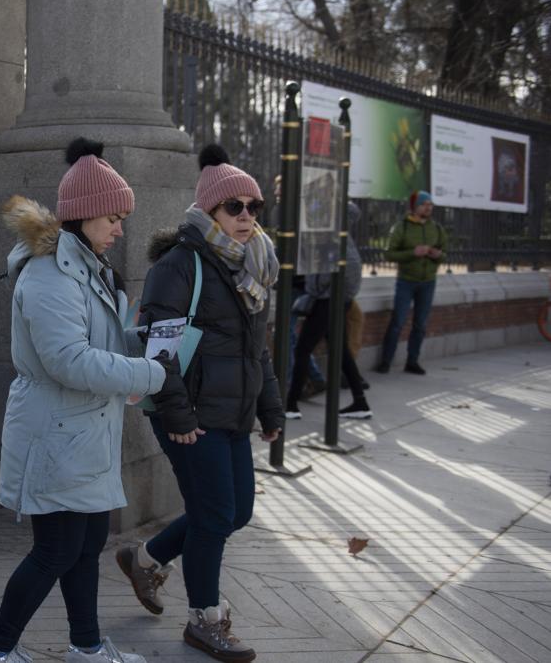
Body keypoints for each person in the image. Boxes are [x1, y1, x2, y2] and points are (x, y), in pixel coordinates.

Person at [0, 138, 170, 663]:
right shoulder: (49, 274)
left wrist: (142, 342)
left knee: (85, 548)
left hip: (83, 431)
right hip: (57, 430)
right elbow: (68, 361)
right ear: (83, 216)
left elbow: (96, 348)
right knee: (56, 550)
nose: (120, 228)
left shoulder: (88, 268)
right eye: (113, 217)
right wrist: (151, 372)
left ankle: (86, 647)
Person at [115, 144, 283, 663]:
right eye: (234, 207)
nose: (247, 217)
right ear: (209, 210)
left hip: (231, 412)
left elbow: (258, 351)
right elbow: (160, 351)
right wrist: (179, 416)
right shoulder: (179, 264)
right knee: (213, 517)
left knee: (236, 512)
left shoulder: (250, 267)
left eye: (253, 207)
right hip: (188, 416)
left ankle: (145, 560)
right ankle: (205, 621)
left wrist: (271, 408)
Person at [284, 201, 372, 420]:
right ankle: (360, 402)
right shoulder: (338, 232)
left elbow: (325, 271)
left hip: (327, 299)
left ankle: (291, 405)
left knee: (303, 349)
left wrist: (314, 291)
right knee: (340, 350)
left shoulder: (330, 233)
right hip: (335, 297)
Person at [375, 190, 448, 374]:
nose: (428, 207)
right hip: (406, 281)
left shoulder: (437, 228)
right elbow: (388, 254)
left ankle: (412, 361)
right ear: (415, 208)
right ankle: (386, 361)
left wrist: (438, 255)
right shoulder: (402, 227)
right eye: (425, 204)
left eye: (430, 204)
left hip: (428, 282)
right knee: (398, 322)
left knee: (420, 325)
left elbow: (444, 254)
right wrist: (412, 253)